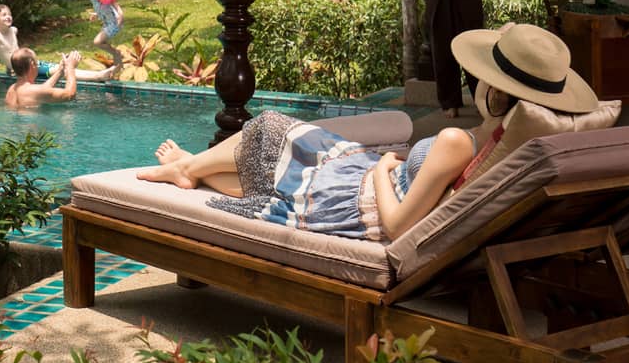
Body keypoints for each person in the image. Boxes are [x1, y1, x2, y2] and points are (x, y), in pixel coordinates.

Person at [137, 23, 597, 242]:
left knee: (270, 125)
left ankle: (187, 167)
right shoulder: (513, 142)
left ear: (493, 88)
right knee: (276, 153)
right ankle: (189, 171)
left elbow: (398, 227)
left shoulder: (458, 142)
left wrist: (385, 166)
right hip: (361, 185)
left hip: (362, 199)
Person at [0, 3, 111, 85]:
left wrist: (10, 69)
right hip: (24, 68)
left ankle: (99, 75)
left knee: (61, 69)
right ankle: (99, 76)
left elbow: (13, 51)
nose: (8, 17)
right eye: (4, 15)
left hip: (29, 64)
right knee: (61, 71)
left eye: (10, 14)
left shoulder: (13, 30)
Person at [80, 0, 123, 78]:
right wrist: (96, 14)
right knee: (100, 42)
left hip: (114, 23)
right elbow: (103, 6)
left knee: (97, 42)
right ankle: (118, 66)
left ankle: (117, 55)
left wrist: (120, 13)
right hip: (109, 22)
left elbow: (112, 2)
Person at [5, 47, 82, 108]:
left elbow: (42, 90)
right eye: (37, 63)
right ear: (32, 65)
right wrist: (70, 67)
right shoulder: (35, 91)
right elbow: (70, 95)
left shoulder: (11, 90)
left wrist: (60, 70)